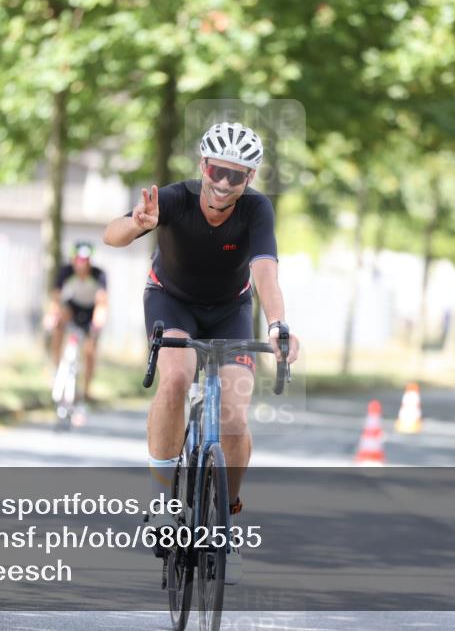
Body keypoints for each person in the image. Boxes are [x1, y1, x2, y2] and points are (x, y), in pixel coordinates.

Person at [102, 121, 300, 585]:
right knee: (175, 375)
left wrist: (277, 325)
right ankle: (162, 502)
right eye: (217, 170)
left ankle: (225, 522)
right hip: (171, 301)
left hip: (231, 310)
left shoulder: (256, 210)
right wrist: (137, 224)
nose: (224, 183)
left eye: (237, 175)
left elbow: (267, 274)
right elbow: (111, 234)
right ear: (203, 166)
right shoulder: (173, 198)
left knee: (234, 416)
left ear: (250, 179)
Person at [43, 242, 108, 402]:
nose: (82, 264)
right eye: (79, 259)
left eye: (85, 260)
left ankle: (86, 389)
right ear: (73, 259)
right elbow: (56, 298)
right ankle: (56, 370)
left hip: (90, 311)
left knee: (90, 350)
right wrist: (51, 316)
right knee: (58, 325)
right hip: (72, 308)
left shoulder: (98, 275)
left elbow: (102, 303)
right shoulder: (65, 271)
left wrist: (97, 324)